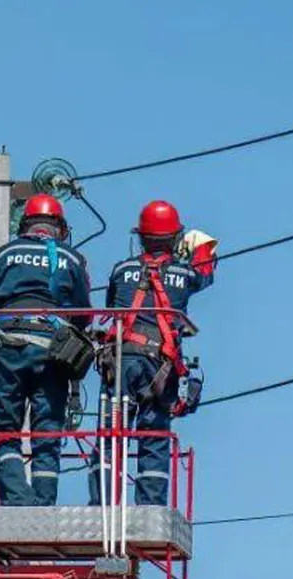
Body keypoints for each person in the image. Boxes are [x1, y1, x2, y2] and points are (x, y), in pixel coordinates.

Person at [88, 199, 217, 507]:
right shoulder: (184, 275)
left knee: (110, 435)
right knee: (154, 437)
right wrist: (200, 248)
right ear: (175, 239)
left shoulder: (121, 269)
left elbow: (112, 304)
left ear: (141, 237)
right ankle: (150, 506)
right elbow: (206, 272)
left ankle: (102, 506)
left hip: (119, 361)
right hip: (159, 367)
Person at [0, 193, 93, 506]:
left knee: (2, 429)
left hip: (9, 347)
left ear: (25, 223)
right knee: (47, 432)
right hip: (52, 352)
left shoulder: (6, 253)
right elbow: (84, 313)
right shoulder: (71, 259)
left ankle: (17, 500)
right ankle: (42, 505)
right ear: (59, 227)